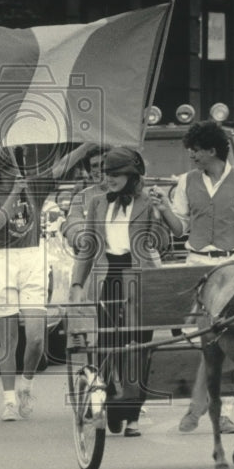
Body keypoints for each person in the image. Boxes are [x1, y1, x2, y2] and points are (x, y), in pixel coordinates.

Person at [151, 120, 234, 435]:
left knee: (233, 337)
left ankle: (217, 410)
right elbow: (180, 228)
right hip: (199, 265)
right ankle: (205, 405)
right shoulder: (186, 182)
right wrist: (164, 209)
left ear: (212, 150)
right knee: (208, 338)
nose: (191, 156)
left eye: (196, 150)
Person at [0, 141, 96, 422]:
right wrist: (14, 193)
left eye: (19, 162)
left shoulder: (35, 186)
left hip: (32, 258)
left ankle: (26, 385)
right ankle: (8, 401)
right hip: (2, 259)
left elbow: (61, 167)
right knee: (9, 339)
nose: (18, 168)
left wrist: (87, 147)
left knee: (35, 340)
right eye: (9, 164)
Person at [70, 146, 170, 437]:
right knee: (107, 344)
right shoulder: (99, 203)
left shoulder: (147, 201)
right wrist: (77, 284)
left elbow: (163, 239)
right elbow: (88, 248)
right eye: (106, 174)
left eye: (115, 174)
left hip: (141, 277)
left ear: (132, 175)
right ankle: (111, 401)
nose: (108, 179)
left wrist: (160, 211)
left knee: (138, 347)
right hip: (110, 275)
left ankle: (133, 416)